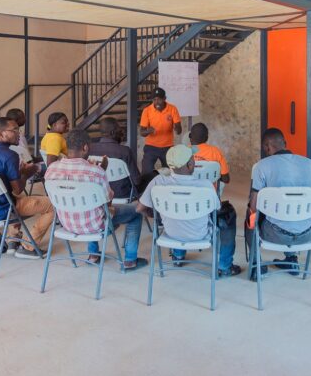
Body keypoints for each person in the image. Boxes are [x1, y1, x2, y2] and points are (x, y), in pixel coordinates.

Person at [44, 129, 148, 271]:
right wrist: (102, 170)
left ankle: (93, 255)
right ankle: (130, 260)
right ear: (85, 147)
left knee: (87, 207)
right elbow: (106, 204)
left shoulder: (51, 169)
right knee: (136, 212)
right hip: (95, 226)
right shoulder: (95, 172)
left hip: (66, 224)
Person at [137, 144, 241, 277]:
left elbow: (139, 208)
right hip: (200, 234)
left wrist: (158, 216)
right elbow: (216, 210)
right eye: (192, 159)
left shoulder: (158, 181)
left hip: (170, 233)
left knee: (177, 214)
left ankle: (178, 256)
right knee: (228, 215)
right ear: (190, 165)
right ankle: (225, 266)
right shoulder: (205, 185)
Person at [247, 128, 311, 279]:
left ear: (267, 147)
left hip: (275, 234)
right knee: (293, 213)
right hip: (307, 234)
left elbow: (253, 208)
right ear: (285, 143)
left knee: (250, 219)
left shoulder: (262, 166)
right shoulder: (310, 164)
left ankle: (256, 267)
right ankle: (292, 260)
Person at [0, 117, 55, 258]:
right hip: (2, 210)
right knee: (53, 205)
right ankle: (28, 246)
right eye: (14, 130)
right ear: (1, 133)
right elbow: (18, 188)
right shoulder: (10, 155)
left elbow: (5, 183)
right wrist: (28, 172)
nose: (19, 133)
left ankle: (12, 240)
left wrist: (19, 172)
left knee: (16, 197)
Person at [88, 117, 141, 200]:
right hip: (122, 194)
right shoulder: (125, 151)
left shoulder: (90, 149)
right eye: (119, 129)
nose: (121, 131)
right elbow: (136, 180)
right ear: (112, 132)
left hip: (99, 193)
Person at [138, 87, 182, 174]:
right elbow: (142, 132)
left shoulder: (172, 109)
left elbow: (179, 131)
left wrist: (177, 128)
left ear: (164, 98)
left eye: (159, 99)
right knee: (146, 172)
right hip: (151, 147)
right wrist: (148, 131)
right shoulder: (147, 111)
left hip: (168, 147)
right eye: (154, 100)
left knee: (171, 172)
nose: (156, 102)